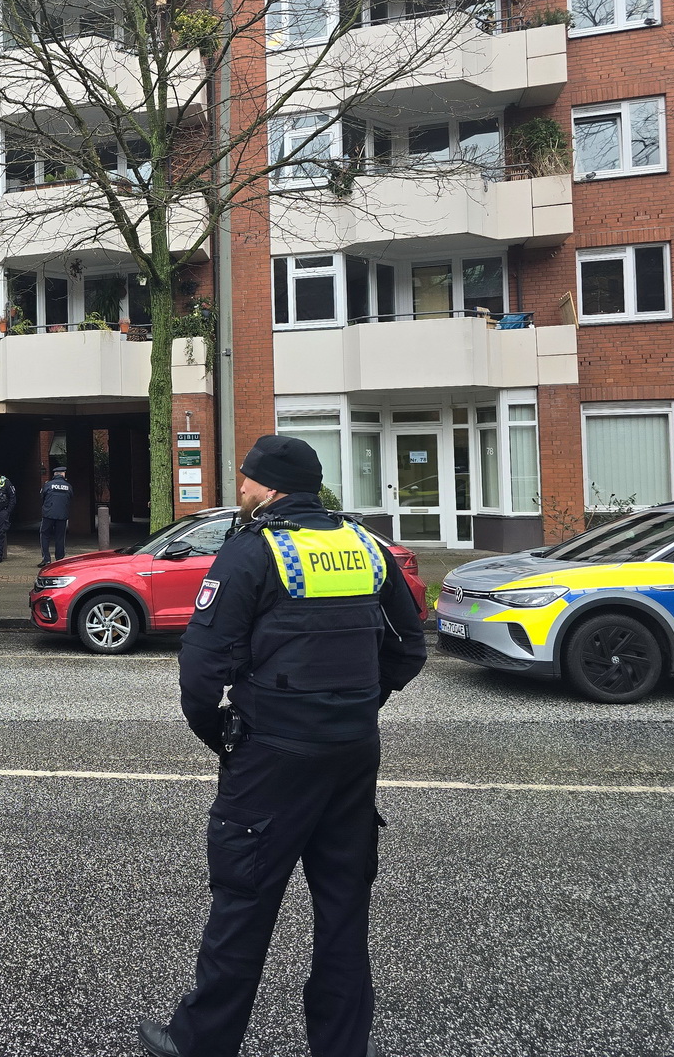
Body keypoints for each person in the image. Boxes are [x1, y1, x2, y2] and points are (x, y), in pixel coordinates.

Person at [139, 435, 426, 1057]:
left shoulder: (253, 552)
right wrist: (355, 706)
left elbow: (200, 670)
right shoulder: (366, 547)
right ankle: (342, 1045)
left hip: (272, 753)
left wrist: (222, 735)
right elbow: (409, 647)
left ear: (271, 489)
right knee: (345, 908)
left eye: (246, 480)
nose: (239, 489)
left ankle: (203, 1042)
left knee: (244, 900)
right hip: (352, 751)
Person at [38, 464, 71, 566]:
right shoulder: (68, 486)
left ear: (55, 474)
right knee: (60, 537)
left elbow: (42, 497)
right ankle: (60, 560)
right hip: (62, 515)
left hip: (48, 515)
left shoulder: (48, 485)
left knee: (45, 535)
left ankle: (46, 559)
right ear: (62, 474)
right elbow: (70, 498)